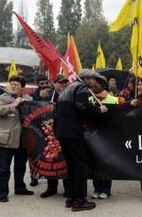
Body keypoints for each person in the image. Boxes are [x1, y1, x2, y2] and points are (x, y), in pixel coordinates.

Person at [55, 69, 108, 212]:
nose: (95, 82)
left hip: (62, 132)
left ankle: (71, 198)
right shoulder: (82, 87)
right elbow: (82, 106)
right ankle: (80, 200)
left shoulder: (67, 89)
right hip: (73, 132)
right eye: (93, 79)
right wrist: (99, 110)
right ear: (86, 78)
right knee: (80, 166)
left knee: (72, 167)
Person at [0, 75, 34, 202]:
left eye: (17, 84)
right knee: (4, 168)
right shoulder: (3, 98)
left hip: (22, 140)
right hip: (6, 140)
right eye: (12, 84)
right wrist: (13, 105)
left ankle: (20, 187)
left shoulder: (28, 99)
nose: (13, 86)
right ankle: (1, 192)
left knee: (20, 166)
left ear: (22, 88)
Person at [40, 75, 69, 198]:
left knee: (65, 161)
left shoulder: (70, 94)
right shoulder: (47, 94)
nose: (62, 85)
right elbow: (33, 104)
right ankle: (51, 188)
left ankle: (68, 189)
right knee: (51, 159)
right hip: (49, 133)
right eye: (60, 83)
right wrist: (40, 98)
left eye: (64, 83)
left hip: (65, 132)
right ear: (54, 83)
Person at [90, 75, 119, 200]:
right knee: (95, 163)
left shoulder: (113, 100)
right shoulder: (89, 99)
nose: (94, 85)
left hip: (108, 136)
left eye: (97, 83)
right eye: (93, 83)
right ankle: (96, 188)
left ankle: (106, 189)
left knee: (106, 162)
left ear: (103, 85)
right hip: (93, 136)